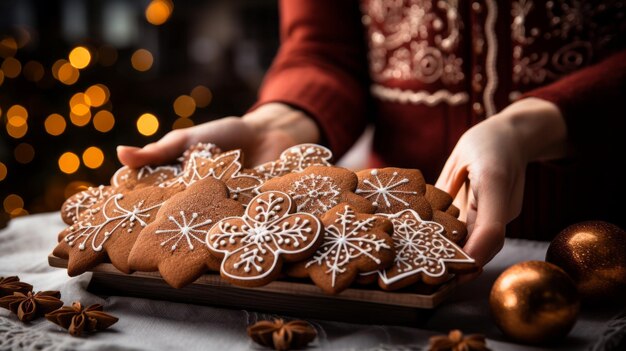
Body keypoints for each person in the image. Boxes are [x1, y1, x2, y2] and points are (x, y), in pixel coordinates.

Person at [117, 1, 626, 271]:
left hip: (608, 236)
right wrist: (276, 123)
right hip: (391, 239)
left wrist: (532, 124)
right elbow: (323, 48)